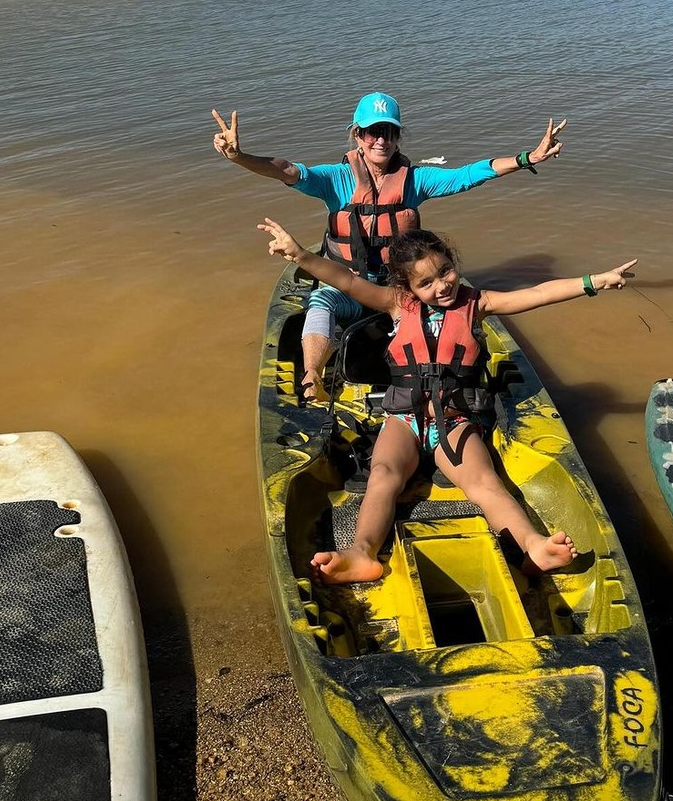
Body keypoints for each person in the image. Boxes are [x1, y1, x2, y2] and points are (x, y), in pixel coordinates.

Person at [256, 217, 637, 586]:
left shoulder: (479, 303)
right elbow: (345, 280)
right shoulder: (394, 304)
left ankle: (533, 546)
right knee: (383, 476)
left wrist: (595, 281)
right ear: (407, 288)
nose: (442, 285)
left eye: (446, 271)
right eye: (426, 282)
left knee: (485, 482)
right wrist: (300, 255)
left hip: (454, 422)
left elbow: (536, 294)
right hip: (404, 420)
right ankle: (361, 553)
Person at [213, 93, 566, 400]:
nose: (380, 140)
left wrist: (526, 159)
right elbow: (287, 170)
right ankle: (312, 378)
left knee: (445, 317)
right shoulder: (336, 179)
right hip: (350, 286)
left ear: (397, 137)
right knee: (320, 301)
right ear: (358, 135)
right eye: (372, 132)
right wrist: (240, 157)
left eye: (388, 132)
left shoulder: (415, 180)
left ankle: (448, 381)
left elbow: (468, 175)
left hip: (403, 290)